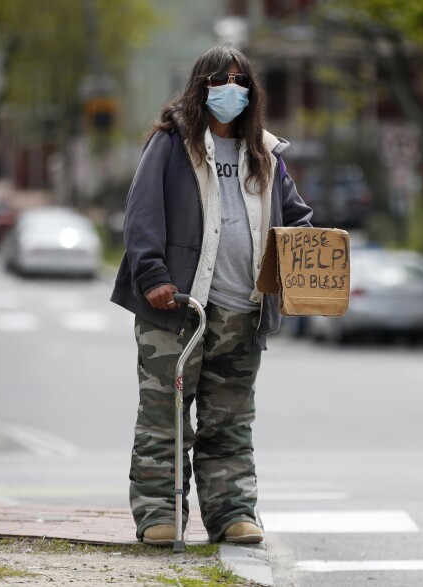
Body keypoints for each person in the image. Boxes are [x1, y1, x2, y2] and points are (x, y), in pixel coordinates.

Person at [110, 42, 313, 546]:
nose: (232, 91)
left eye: (241, 82)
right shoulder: (172, 144)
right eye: (221, 81)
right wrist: (154, 277)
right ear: (200, 87)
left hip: (244, 312)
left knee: (229, 421)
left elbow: (297, 221)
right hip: (179, 310)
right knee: (164, 418)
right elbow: (141, 215)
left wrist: (309, 265)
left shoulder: (266, 153)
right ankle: (159, 515)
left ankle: (233, 514)